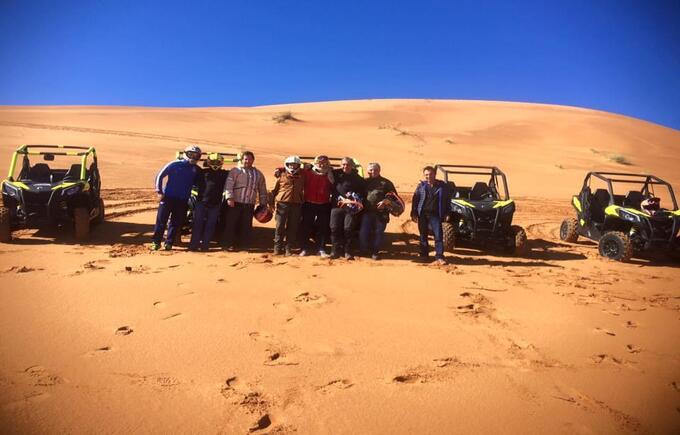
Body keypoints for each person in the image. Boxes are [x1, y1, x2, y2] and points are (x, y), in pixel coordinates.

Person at [151, 145, 202, 251]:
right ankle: (156, 242)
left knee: (175, 222)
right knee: (161, 220)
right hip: (168, 198)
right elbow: (160, 175)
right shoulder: (174, 164)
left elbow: (200, 183)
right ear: (186, 154)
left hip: (182, 200)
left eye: (196, 155)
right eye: (191, 154)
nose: (193, 157)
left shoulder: (196, 169)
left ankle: (169, 243)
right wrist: (159, 191)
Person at [222, 151, 269, 251]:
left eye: (250, 159)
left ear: (253, 160)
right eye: (245, 159)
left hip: (249, 203)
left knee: (246, 225)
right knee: (231, 224)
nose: (247, 161)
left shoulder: (258, 174)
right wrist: (229, 198)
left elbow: (262, 190)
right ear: (242, 159)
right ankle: (227, 244)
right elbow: (229, 185)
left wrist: (263, 203)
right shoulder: (235, 171)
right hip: (235, 202)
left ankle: (244, 245)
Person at [188, 153, 229, 252]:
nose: (215, 164)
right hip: (201, 202)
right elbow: (191, 167)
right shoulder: (201, 172)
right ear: (209, 162)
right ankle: (193, 246)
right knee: (197, 224)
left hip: (215, 204)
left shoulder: (224, 174)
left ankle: (205, 246)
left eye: (217, 162)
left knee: (210, 225)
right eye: (213, 162)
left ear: (221, 163)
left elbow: (237, 173)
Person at [411, 166, 451, 265]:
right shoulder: (421, 186)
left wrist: (447, 213)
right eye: (426, 175)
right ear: (424, 176)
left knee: (438, 236)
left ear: (435, 174)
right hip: (423, 214)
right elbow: (415, 200)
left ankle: (439, 256)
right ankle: (424, 255)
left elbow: (447, 201)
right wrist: (414, 212)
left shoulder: (442, 186)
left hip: (436, 215)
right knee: (423, 235)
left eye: (431, 174)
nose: (429, 176)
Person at [359, 162, 398, 260]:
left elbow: (393, 196)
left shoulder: (386, 183)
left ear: (379, 170)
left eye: (375, 170)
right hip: (366, 212)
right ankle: (364, 250)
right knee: (364, 232)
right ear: (368, 171)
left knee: (378, 232)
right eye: (371, 170)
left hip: (381, 213)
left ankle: (375, 252)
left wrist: (385, 202)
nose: (373, 172)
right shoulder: (364, 182)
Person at [330, 157, 366, 259]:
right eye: (343, 164)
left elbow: (363, 192)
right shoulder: (336, 174)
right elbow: (321, 169)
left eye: (348, 164)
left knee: (348, 229)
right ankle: (334, 250)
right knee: (334, 228)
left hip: (350, 208)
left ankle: (347, 251)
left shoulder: (358, 178)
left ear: (352, 166)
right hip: (336, 206)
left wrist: (355, 198)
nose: (345, 166)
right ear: (341, 165)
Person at [299, 155, 333, 258]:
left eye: (324, 162)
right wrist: (279, 169)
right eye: (319, 162)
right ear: (315, 162)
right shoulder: (308, 171)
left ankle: (321, 249)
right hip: (309, 203)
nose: (321, 164)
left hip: (324, 204)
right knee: (306, 226)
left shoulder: (330, 174)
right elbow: (294, 168)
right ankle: (304, 248)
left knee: (322, 228)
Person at [271, 156, 305, 255]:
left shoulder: (302, 176)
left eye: (295, 165)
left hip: (296, 204)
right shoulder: (280, 175)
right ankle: (277, 247)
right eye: (291, 164)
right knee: (279, 226)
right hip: (282, 204)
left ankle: (288, 248)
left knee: (293, 226)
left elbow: (311, 167)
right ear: (287, 165)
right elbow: (273, 191)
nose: (293, 167)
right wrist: (270, 203)